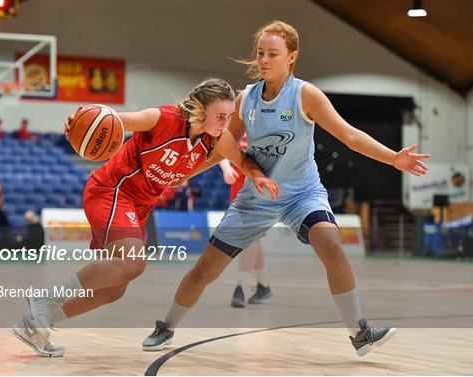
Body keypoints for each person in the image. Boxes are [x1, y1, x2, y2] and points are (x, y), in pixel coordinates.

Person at [142, 21, 431, 356]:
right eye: (261, 53)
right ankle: (167, 327)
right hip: (256, 197)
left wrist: (393, 158)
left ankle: (359, 332)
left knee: (333, 247)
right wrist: (189, 172)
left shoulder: (305, 95)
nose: (264, 60)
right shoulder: (246, 98)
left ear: (292, 57)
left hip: (302, 194)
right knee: (205, 268)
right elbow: (226, 144)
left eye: (273, 54)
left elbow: (350, 136)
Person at [9, 78, 279, 357]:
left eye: (230, 117)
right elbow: (111, 118)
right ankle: (42, 303)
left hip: (139, 206)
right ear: (200, 110)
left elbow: (243, 160)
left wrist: (257, 175)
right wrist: (80, 120)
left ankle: (36, 325)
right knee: (132, 264)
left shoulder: (216, 139)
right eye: (221, 116)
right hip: (111, 191)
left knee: (113, 290)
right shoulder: (161, 118)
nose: (226, 123)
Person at [219, 135, 271, 308]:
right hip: (238, 189)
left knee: (250, 238)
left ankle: (240, 286)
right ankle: (263, 286)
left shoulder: (266, 129)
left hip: (260, 190)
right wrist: (226, 168)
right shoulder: (237, 125)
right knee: (255, 240)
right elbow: (220, 148)